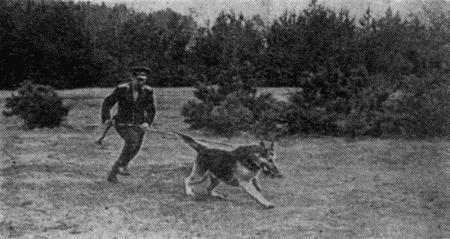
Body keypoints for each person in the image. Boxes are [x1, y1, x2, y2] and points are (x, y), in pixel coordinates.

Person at [101, 66, 156, 183]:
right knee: (132, 142)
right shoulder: (122, 89)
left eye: (144, 79)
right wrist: (107, 118)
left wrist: (147, 122)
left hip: (139, 125)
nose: (142, 82)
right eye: (139, 79)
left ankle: (114, 171)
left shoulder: (148, 91)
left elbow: (151, 110)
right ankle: (121, 166)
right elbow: (107, 102)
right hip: (122, 123)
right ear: (132, 78)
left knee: (136, 148)